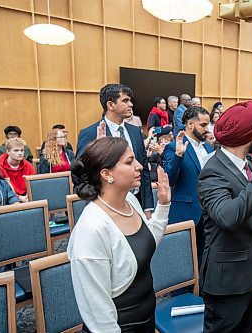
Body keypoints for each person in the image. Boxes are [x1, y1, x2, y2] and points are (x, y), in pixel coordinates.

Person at [68, 137, 171, 332]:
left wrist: (163, 205)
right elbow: (98, 314)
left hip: (146, 319)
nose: (140, 166)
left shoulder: (130, 201)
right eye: (129, 161)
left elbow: (145, 245)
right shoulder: (91, 229)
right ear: (107, 174)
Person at [198, 101, 252, 332]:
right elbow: (229, 217)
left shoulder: (248, 165)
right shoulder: (212, 171)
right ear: (247, 136)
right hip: (227, 283)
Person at [76, 84, 154, 217]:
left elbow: (144, 169)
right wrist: (97, 153)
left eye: (130, 100)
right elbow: (79, 174)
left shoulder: (136, 132)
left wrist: (147, 207)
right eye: (125, 101)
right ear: (111, 105)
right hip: (105, 206)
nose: (131, 105)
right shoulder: (90, 133)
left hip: (136, 203)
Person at [163, 106, 213, 264]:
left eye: (208, 125)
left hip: (209, 212)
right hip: (186, 212)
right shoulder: (173, 147)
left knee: (204, 256)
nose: (207, 129)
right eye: (203, 125)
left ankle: (201, 287)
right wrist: (178, 156)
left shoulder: (208, 147)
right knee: (183, 260)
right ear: (190, 124)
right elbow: (169, 179)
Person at [0, 138, 35, 202]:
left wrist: (27, 197)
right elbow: (1, 191)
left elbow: (33, 186)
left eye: (22, 150)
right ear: (8, 151)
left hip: (27, 198)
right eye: (16, 150)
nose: (20, 153)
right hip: (7, 200)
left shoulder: (29, 166)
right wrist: (19, 198)